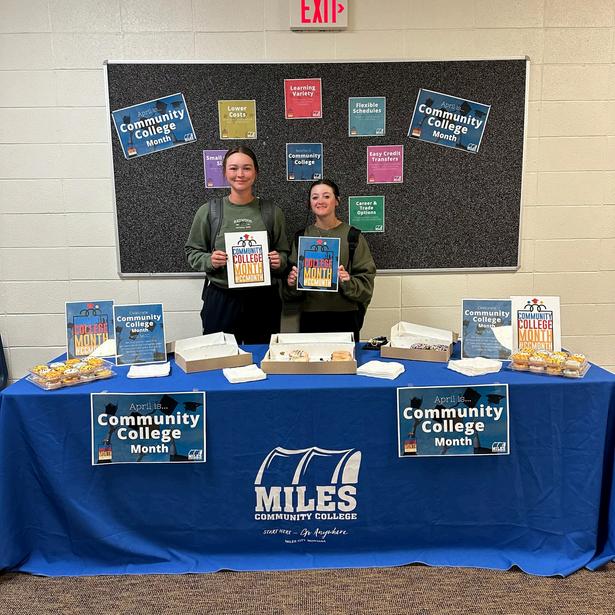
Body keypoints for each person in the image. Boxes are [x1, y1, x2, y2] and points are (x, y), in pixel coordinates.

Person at [185, 146, 289, 344]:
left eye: (246, 168)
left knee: (261, 356)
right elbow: (192, 251)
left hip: (262, 300)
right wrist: (210, 260)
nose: (240, 174)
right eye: (233, 168)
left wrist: (279, 261)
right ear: (225, 172)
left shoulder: (272, 212)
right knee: (219, 356)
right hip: (221, 297)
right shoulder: (209, 211)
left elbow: (284, 253)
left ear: (256, 172)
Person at [283, 179, 376, 341]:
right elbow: (288, 292)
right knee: (312, 358)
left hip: (346, 315)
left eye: (326, 196)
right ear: (309, 203)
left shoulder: (352, 237)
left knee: (343, 358)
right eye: (315, 197)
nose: (320, 201)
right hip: (310, 316)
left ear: (337, 201)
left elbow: (366, 285)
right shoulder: (301, 237)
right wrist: (292, 283)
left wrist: (347, 281)